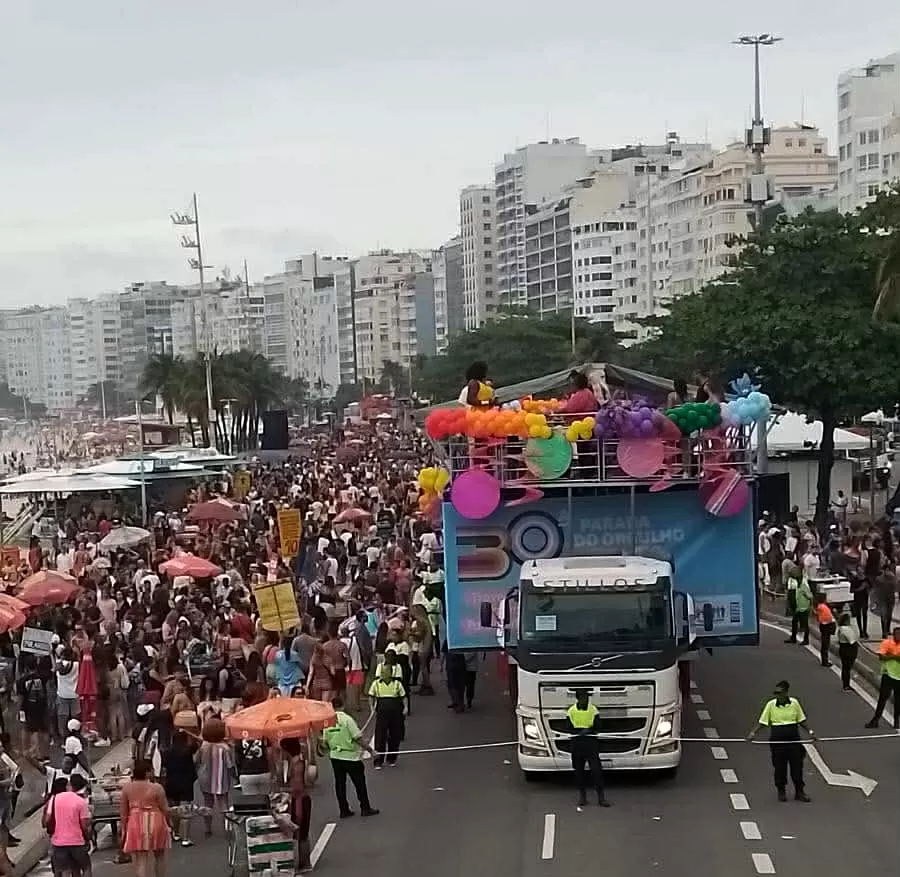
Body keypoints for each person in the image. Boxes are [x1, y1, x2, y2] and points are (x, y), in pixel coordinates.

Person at [747, 680, 814, 803]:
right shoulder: (771, 705)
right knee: (779, 767)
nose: (778, 695)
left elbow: (801, 720)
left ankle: (799, 792)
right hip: (778, 742)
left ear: (786, 692)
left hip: (793, 741)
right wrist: (753, 733)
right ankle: (781, 791)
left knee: (797, 767)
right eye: (776, 693)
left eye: (780, 693)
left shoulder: (794, 703)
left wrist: (810, 731)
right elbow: (763, 722)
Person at [319, 696, 379, 818]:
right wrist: (371, 751)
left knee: (340, 784)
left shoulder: (327, 721)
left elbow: (325, 742)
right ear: (343, 705)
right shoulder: (347, 719)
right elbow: (358, 738)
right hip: (351, 756)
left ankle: (343, 809)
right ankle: (365, 807)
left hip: (335, 756)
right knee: (359, 783)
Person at [120, 759, 171, 877]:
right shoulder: (157, 788)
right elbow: (165, 809)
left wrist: (123, 829)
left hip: (135, 822)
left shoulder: (127, 788)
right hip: (156, 821)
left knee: (140, 859)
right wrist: (169, 823)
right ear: (147, 772)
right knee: (159, 856)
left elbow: (123, 812)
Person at [565, 690, 610, 809]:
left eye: (587, 698)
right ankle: (582, 797)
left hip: (591, 743)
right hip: (577, 744)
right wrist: (580, 732)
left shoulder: (593, 710)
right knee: (579, 771)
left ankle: (601, 798)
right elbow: (568, 728)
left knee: (596, 771)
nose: (586, 700)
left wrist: (588, 730)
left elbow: (599, 726)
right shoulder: (571, 711)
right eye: (584, 698)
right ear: (578, 699)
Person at [194, 717, 235, 837]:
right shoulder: (225, 748)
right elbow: (229, 765)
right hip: (222, 779)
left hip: (205, 778)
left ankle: (207, 828)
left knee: (208, 803)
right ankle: (228, 828)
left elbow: (197, 760)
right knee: (224, 803)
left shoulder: (203, 746)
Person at [46, 772, 91, 877]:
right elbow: (84, 825)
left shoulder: (54, 799)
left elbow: (47, 819)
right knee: (85, 867)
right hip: (77, 841)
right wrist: (87, 837)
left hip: (59, 842)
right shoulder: (80, 801)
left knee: (65, 870)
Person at [161, 730, 198, 847]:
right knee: (185, 810)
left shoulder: (167, 753)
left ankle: (176, 833)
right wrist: (190, 733)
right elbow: (198, 742)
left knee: (175, 809)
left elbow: (164, 768)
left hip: (171, 783)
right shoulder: (188, 751)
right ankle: (186, 838)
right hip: (186, 783)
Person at [368, 664, 405, 769]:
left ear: (391, 673)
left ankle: (391, 759)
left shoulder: (397, 684)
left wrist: (405, 707)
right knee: (380, 736)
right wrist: (371, 707)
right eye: (382, 672)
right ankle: (378, 761)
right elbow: (371, 696)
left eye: (385, 672)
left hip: (395, 713)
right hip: (382, 713)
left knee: (394, 736)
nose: (383, 674)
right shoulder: (376, 683)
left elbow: (403, 697)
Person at [864, 627, 900, 729]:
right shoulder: (886, 643)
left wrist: (890, 655)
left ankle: (896, 721)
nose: (898, 636)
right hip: (887, 674)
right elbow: (881, 656)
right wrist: (895, 657)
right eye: (896, 634)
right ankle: (875, 720)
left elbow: (886, 656)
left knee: (898, 701)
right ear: (893, 634)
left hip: (899, 676)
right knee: (882, 699)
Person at [784, 564, 812, 646]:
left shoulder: (803, 584)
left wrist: (810, 606)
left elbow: (810, 596)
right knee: (794, 622)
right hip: (796, 606)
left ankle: (806, 640)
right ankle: (793, 637)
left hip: (803, 607)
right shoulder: (794, 582)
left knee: (804, 624)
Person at [836, 611, 860, 692]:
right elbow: (852, 640)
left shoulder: (841, 628)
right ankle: (846, 685)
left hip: (844, 648)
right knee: (847, 668)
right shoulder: (845, 629)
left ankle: (846, 684)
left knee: (845, 668)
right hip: (848, 649)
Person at [814, 597, 835, 667]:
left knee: (825, 645)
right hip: (827, 626)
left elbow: (820, 619)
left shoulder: (820, 607)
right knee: (825, 645)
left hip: (826, 626)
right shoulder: (823, 607)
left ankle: (825, 661)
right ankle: (825, 661)